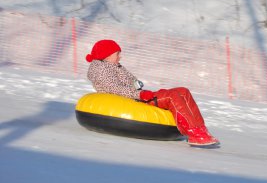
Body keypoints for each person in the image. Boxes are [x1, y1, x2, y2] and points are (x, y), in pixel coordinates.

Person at [86, 39, 219, 146]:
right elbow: (114, 88)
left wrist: (137, 85)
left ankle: (200, 129)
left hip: (137, 95)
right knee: (172, 96)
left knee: (183, 91)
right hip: (134, 99)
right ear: (107, 55)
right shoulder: (102, 70)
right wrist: (140, 94)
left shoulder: (113, 66)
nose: (120, 57)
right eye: (117, 54)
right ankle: (193, 133)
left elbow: (130, 82)